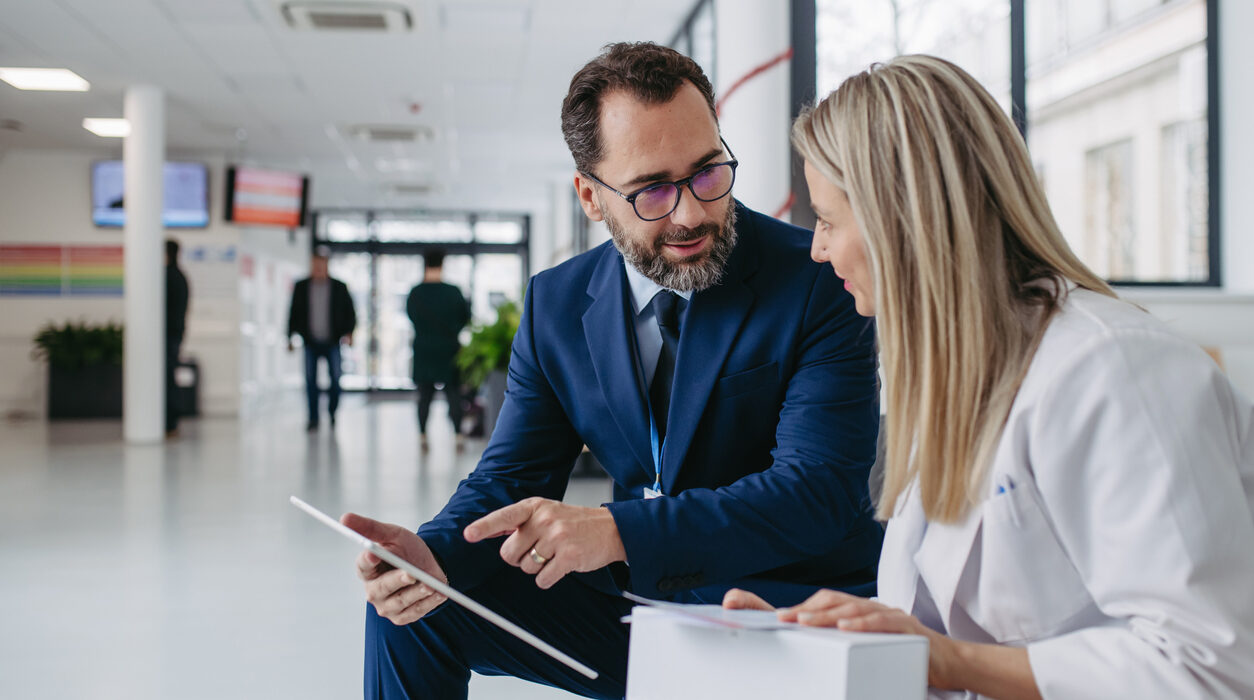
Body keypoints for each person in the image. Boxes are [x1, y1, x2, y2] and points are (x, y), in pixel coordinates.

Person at [339, 42, 884, 699]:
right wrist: (435, 554)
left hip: (787, 608)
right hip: (643, 601)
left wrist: (619, 532)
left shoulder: (817, 276)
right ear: (591, 197)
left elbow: (816, 493)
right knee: (416, 606)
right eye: (653, 190)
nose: (691, 213)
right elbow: (512, 474)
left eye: (708, 172)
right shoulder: (557, 304)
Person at [724, 55, 1254, 698]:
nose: (818, 248)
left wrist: (947, 661)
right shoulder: (959, 378)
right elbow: (938, 630)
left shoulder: (1114, 369)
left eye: (829, 220)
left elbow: (1209, 665)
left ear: (903, 218)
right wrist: (818, 643)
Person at [406, 250, 472, 452]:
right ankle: (458, 435)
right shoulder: (453, 292)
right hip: (449, 348)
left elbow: (411, 317)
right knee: (453, 394)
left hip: (424, 349)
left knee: (424, 395)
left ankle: (422, 435)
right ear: (442, 265)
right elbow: (465, 317)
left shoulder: (415, 292)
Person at [287, 251, 356, 431]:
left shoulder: (339, 287)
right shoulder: (302, 287)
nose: (318, 268)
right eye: (315, 265)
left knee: (335, 379)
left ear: (326, 266)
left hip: (332, 341)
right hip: (310, 342)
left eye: (321, 265)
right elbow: (293, 313)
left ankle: (332, 412)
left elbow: (350, 312)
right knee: (310, 381)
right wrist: (290, 337)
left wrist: (350, 333)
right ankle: (313, 418)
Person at [164, 238, 189, 438]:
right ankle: (170, 422)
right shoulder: (181, 277)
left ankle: (170, 422)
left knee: (167, 378)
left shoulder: (168, 277)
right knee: (169, 376)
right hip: (175, 335)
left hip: (168, 336)